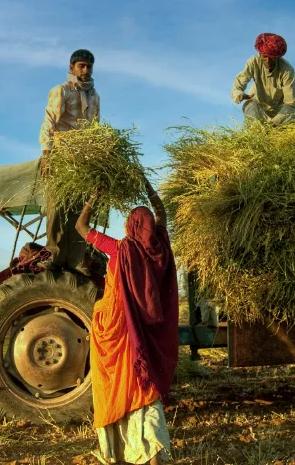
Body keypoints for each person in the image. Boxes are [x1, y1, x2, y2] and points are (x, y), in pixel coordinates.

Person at [75, 182, 179, 465]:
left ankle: (120, 454)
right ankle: (153, 453)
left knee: (116, 385)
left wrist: (94, 196)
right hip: (145, 333)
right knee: (144, 386)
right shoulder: (161, 248)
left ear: (133, 226)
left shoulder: (120, 249)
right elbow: (161, 214)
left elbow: (81, 227)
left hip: (116, 329)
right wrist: (149, 189)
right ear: (150, 227)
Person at [39, 48, 101, 275]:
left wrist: (96, 159)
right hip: (61, 156)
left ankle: (76, 259)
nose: (85, 70)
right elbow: (49, 123)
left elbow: (95, 129)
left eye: (89, 66)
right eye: (81, 66)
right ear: (72, 67)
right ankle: (53, 256)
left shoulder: (94, 96)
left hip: (83, 160)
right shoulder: (62, 90)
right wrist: (47, 155)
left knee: (79, 210)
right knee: (57, 207)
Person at [232, 33, 295, 127]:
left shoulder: (287, 69)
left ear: (278, 57)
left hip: (280, 112)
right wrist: (238, 93)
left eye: (271, 57)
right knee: (250, 106)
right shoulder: (253, 62)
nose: (268, 61)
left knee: (292, 114)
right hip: (257, 107)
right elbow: (239, 84)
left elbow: (290, 103)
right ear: (259, 54)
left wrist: (273, 124)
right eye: (264, 56)